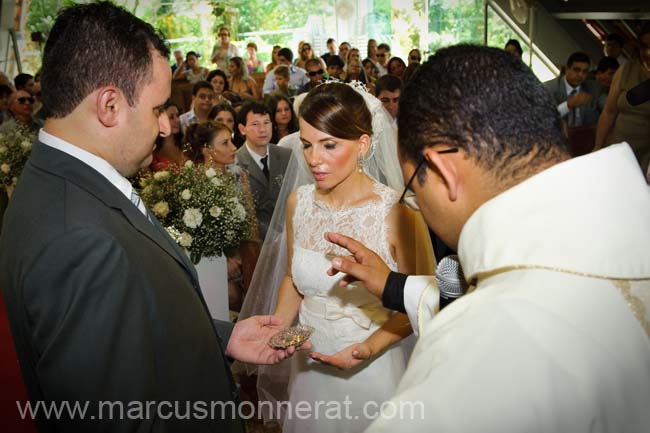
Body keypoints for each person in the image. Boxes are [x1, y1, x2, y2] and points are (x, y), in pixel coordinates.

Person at [0, 3, 308, 431]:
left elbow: (134, 320)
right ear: (108, 105)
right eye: (158, 109)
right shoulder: (78, 239)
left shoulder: (62, 181)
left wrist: (223, 336)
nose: (166, 128)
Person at [324, 44, 650, 432]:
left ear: (443, 172)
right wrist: (394, 286)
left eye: (411, 186)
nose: (414, 202)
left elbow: (495, 316)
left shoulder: (477, 350)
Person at [237, 82, 434, 432]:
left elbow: (417, 303)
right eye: (307, 145)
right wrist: (281, 326)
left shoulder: (396, 213)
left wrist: (366, 349)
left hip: (371, 369)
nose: (314, 159)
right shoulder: (299, 202)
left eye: (329, 145)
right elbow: (292, 278)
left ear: (362, 145)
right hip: (309, 367)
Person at [184, 121, 260, 311]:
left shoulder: (238, 176)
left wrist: (250, 261)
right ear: (207, 150)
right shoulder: (192, 182)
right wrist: (221, 262)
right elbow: (178, 230)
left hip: (241, 254)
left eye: (232, 141)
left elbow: (250, 223)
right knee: (229, 297)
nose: (234, 148)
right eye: (225, 143)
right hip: (207, 262)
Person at [594, 22, 650, 176]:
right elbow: (608, 112)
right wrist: (597, 147)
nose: (648, 53)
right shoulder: (626, 70)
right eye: (644, 47)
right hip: (616, 148)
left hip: (645, 158)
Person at [235, 101, 293, 241]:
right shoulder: (235, 162)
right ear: (242, 129)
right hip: (255, 241)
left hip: (290, 233)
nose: (263, 129)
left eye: (266, 123)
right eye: (255, 124)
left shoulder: (286, 155)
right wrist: (273, 236)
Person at [544, 51, 604, 128]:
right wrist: (567, 105)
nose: (580, 75)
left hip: (585, 135)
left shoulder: (594, 88)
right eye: (576, 70)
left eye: (584, 72)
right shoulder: (549, 88)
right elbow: (544, 116)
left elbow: (607, 107)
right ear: (567, 69)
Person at [151, 101, 186, 171]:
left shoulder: (185, 143)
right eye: (171, 117)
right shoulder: (151, 149)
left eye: (177, 115)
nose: (178, 120)